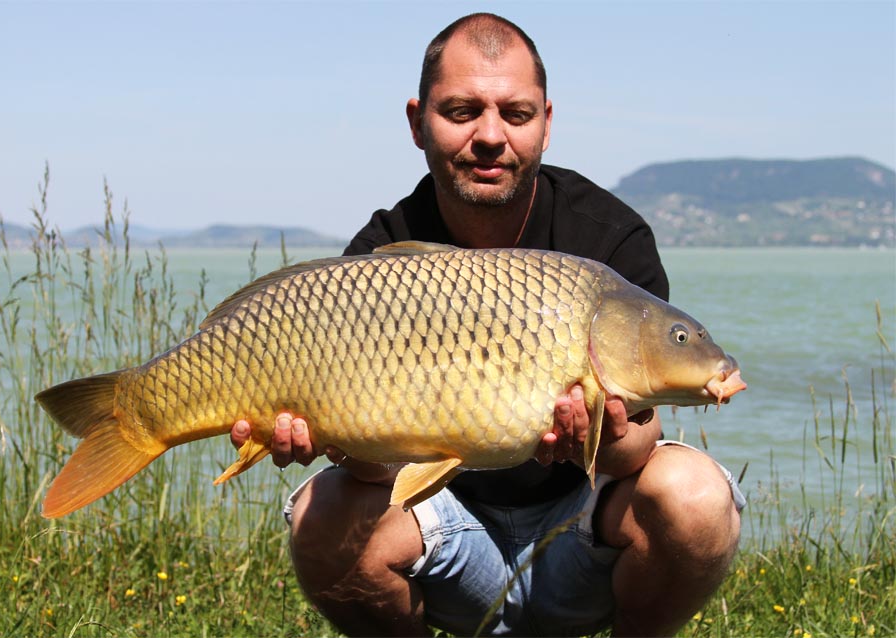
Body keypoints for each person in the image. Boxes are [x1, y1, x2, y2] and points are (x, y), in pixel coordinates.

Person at [230, 13, 744, 637]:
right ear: (419, 121)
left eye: (517, 113)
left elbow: (638, 445)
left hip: (584, 541)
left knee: (694, 494)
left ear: (546, 124)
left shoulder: (609, 241)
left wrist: (601, 434)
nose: (490, 136)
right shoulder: (380, 255)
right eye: (461, 110)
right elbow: (373, 472)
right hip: (443, 539)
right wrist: (332, 436)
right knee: (322, 507)